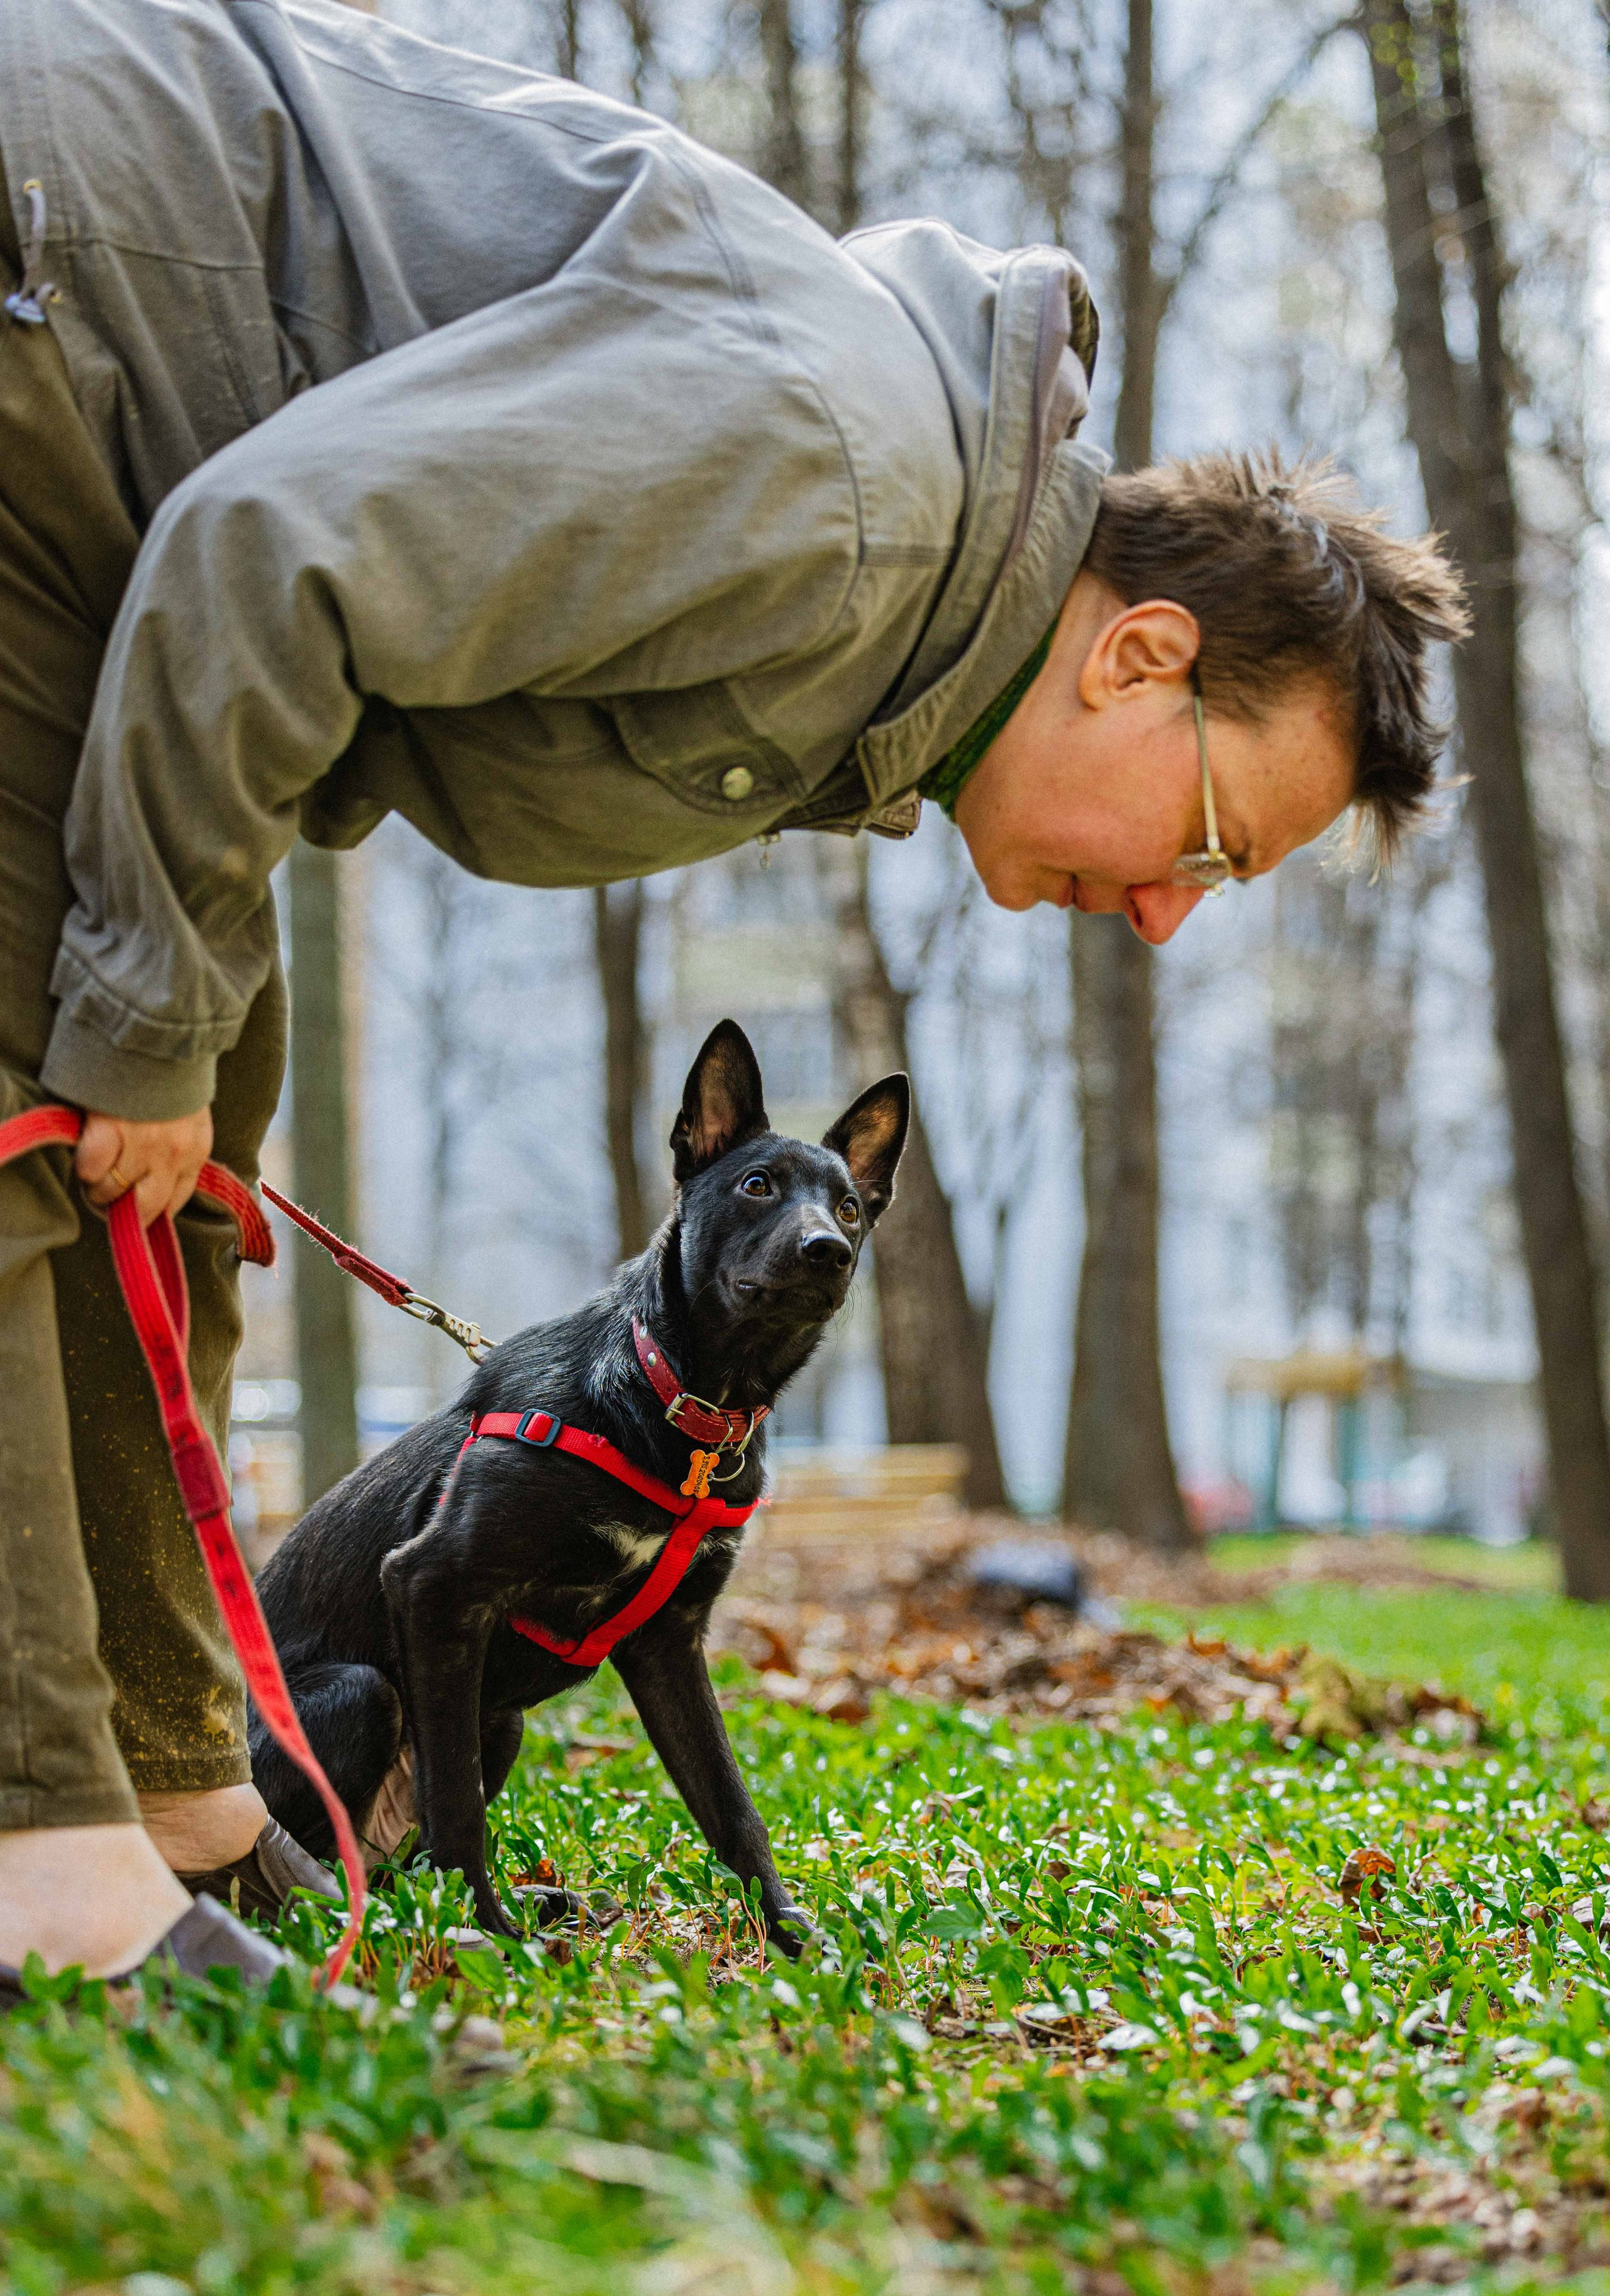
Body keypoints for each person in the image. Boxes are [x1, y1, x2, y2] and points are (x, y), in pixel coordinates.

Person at [0, 0, 1467, 1990]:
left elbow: (283, 656)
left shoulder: (880, 591)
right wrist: (140, 1017)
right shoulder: (835, 490)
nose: (1167, 914)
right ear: (1135, 656)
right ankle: (47, 1870)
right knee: (56, 1085)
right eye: (1211, 841)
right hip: (60, 291)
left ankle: (182, 1790)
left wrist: (180, 1036)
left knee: (173, 1135)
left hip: (107, 397)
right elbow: (265, 560)